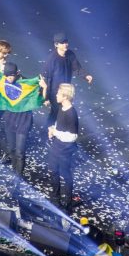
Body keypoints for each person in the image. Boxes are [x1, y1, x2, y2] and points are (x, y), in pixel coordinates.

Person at [1, 62, 47, 180]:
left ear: (17, 73)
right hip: (10, 118)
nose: (9, 78)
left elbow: (41, 99)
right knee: (12, 148)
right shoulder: (3, 81)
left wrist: (44, 87)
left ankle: (18, 177)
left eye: (11, 76)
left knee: (20, 152)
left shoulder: (27, 84)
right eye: (7, 76)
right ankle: (14, 170)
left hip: (23, 120)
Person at [42, 32, 92, 126]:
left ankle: (56, 129)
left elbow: (77, 67)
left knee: (62, 111)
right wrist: (46, 97)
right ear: (56, 44)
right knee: (56, 112)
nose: (66, 44)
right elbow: (46, 78)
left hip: (66, 90)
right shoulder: (52, 59)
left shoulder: (70, 54)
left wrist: (86, 75)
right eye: (62, 43)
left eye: (66, 42)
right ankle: (49, 129)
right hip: (55, 92)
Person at [47, 83, 78, 214]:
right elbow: (59, 123)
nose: (56, 95)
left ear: (65, 96)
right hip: (56, 145)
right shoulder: (61, 107)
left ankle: (68, 203)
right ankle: (55, 199)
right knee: (53, 171)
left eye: (58, 93)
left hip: (65, 149)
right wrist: (52, 129)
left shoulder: (71, 113)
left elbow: (72, 136)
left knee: (65, 175)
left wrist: (55, 133)